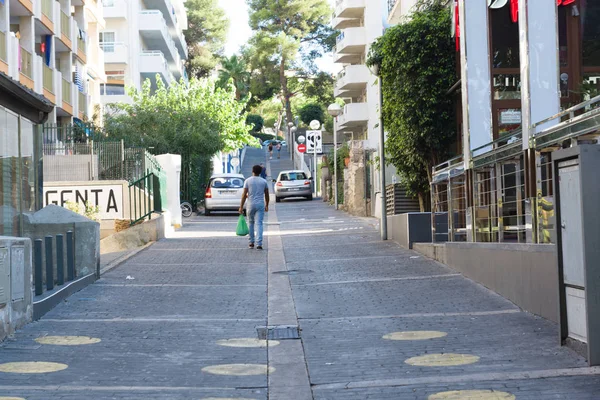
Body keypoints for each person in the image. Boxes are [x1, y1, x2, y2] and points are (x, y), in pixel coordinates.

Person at [239, 165, 269, 250]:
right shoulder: (264, 181)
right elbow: (267, 194)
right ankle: (259, 243)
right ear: (260, 172)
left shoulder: (247, 181)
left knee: (251, 223)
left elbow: (244, 194)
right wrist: (267, 204)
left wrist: (241, 206)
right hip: (260, 204)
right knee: (259, 223)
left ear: (252, 171)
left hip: (250, 204)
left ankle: (251, 242)